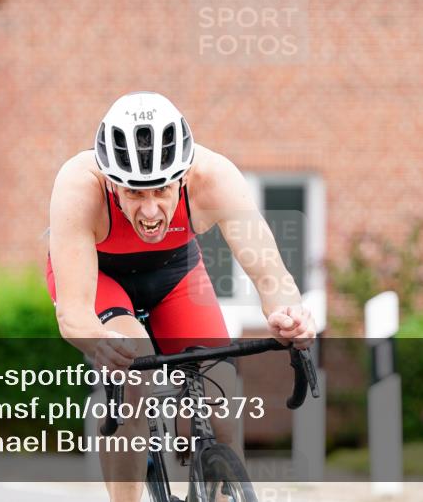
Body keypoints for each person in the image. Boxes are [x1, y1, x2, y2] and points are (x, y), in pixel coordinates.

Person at [46, 91, 316, 502]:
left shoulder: (215, 177)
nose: (151, 211)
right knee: (133, 382)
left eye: (161, 190)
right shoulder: (79, 185)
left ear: (184, 177)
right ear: (111, 182)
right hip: (99, 276)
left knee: (221, 393)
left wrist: (288, 315)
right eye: (134, 193)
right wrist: (103, 346)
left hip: (174, 274)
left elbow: (270, 275)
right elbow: (74, 314)